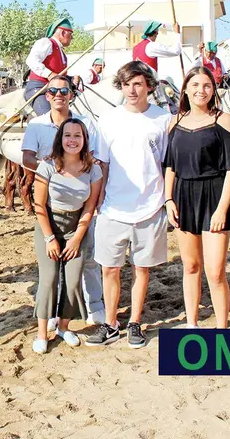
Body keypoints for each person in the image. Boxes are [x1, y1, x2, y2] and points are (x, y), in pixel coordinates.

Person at [85, 61, 172, 349]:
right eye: (126, 84)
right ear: (120, 87)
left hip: (150, 206)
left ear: (149, 85)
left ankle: (135, 322)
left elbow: (165, 164)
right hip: (113, 208)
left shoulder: (163, 119)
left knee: (141, 268)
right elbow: (103, 165)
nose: (132, 90)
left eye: (137, 83)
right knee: (109, 268)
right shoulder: (108, 120)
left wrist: (167, 201)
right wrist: (97, 202)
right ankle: (110, 324)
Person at [22, 75, 108, 326]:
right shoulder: (36, 125)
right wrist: (52, 171)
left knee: (88, 257)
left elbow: (93, 159)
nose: (59, 94)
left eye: (64, 90)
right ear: (46, 96)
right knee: (51, 265)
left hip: (81, 199)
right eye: (53, 91)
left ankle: (94, 304)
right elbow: (27, 157)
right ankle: (51, 311)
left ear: (71, 94)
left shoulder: (87, 123)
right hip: (50, 198)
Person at [164, 67, 230, 329]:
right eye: (195, 85)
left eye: (207, 85)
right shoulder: (174, 122)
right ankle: (192, 323)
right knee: (190, 266)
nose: (201, 90)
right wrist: (168, 200)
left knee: (215, 271)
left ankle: (222, 328)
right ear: (185, 89)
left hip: (214, 195)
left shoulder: (223, 119)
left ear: (213, 89)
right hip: (183, 197)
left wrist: (222, 209)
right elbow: (170, 166)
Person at [31, 117, 103, 354]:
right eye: (68, 135)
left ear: (85, 140)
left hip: (77, 226)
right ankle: (42, 333)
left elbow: (90, 207)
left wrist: (76, 237)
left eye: (77, 136)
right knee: (49, 278)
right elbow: (39, 205)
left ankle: (63, 326)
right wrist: (50, 238)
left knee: (72, 282)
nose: (72, 140)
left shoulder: (93, 169)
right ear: (60, 139)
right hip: (49, 224)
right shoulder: (48, 166)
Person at [25, 17, 74, 116]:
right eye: (71, 35)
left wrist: (72, 79)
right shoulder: (47, 42)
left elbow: (59, 75)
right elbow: (31, 60)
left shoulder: (61, 52)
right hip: (39, 90)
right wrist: (50, 74)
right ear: (63, 33)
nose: (72, 38)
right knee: (52, 119)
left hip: (56, 91)